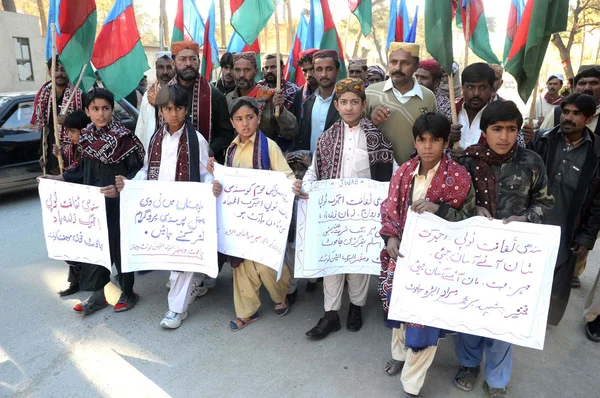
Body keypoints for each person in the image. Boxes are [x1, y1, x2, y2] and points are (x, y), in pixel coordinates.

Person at [454, 100, 554, 398]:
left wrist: (526, 218)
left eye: (511, 129)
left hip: (514, 257)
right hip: (473, 253)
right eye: (497, 129)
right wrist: (474, 210)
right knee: (470, 312)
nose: (504, 137)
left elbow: (545, 201)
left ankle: (497, 378)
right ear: (484, 131)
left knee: (502, 314)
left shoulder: (531, 161)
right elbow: (453, 202)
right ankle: (469, 364)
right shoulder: (467, 162)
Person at [379, 112, 475, 398]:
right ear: (415, 141)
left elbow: (469, 219)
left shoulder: (458, 177)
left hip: (437, 265)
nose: (428, 146)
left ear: (446, 142)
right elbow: (389, 208)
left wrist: (440, 209)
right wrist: (390, 237)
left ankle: (411, 383)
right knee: (399, 313)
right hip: (403, 256)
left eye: (435, 140)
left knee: (425, 324)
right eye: (422, 140)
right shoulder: (404, 171)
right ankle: (399, 356)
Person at [116, 85, 223, 329]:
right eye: (167, 109)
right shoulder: (156, 138)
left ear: (186, 110)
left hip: (185, 211)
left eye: (178, 108)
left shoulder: (196, 139)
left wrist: (212, 186)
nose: (173, 114)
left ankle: (176, 310)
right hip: (161, 213)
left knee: (182, 262)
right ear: (161, 111)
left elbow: (207, 173)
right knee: (173, 260)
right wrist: (130, 185)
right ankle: (195, 283)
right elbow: (146, 170)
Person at [39, 88, 145, 315]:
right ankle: (98, 296)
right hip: (93, 208)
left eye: (105, 108)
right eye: (95, 109)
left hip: (119, 207)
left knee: (119, 250)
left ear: (112, 109)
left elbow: (139, 171)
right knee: (95, 249)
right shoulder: (85, 137)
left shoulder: (124, 137)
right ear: (87, 111)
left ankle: (128, 293)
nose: (101, 114)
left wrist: (123, 186)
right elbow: (81, 169)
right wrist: (56, 178)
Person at [303, 78, 394, 340]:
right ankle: (330, 314)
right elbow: (314, 170)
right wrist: (305, 186)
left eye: (355, 102)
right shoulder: (327, 137)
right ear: (337, 105)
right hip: (333, 213)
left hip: (363, 216)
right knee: (332, 264)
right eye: (343, 102)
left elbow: (393, 173)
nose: (349, 107)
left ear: (364, 104)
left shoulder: (377, 139)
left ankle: (356, 308)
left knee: (358, 265)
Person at [212, 97, 303, 331]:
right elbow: (226, 182)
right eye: (240, 119)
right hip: (240, 220)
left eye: (250, 118)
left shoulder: (269, 147)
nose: (245, 124)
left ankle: (281, 294)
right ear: (232, 122)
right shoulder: (231, 149)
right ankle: (246, 311)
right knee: (241, 265)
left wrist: (292, 185)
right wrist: (217, 184)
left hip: (264, 220)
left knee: (266, 264)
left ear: (258, 119)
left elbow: (285, 175)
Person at [529, 94, 600, 325]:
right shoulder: (542, 139)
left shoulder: (597, 153)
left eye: (576, 113)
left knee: (556, 275)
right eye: (566, 112)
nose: (568, 118)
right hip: (532, 222)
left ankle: (542, 321)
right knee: (526, 268)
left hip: (567, 227)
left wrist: (586, 235)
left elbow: (598, 201)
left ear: (589, 118)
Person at [366, 42, 436, 165]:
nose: (398, 68)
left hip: (416, 169)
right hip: (378, 168)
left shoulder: (428, 97)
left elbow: (432, 135)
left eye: (405, 63)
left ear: (416, 66)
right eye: (394, 62)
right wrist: (371, 122)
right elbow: (355, 131)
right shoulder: (370, 93)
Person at [166, 41, 234, 165]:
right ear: (173, 63)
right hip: (170, 161)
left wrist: (207, 151)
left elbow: (226, 133)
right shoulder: (164, 95)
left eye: (193, 59)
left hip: (205, 164)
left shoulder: (214, 95)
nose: (188, 64)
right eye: (182, 59)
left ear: (199, 62)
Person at [52, 110, 91, 297]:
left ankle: (89, 282)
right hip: (73, 204)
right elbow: (66, 167)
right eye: (68, 132)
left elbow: (80, 173)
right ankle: (76, 280)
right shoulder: (72, 147)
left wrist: (62, 177)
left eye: (73, 131)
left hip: (87, 204)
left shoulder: (91, 148)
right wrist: (58, 154)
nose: (69, 136)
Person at [450, 63, 528, 153]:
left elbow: (518, 148)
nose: (476, 93)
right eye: (470, 87)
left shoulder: (505, 113)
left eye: (482, 88)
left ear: (491, 90)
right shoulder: (449, 111)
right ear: (463, 88)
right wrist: (447, 138)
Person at [226, 52, 297, 147]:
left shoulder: (270, 96)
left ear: (256, 71)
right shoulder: (228, 99)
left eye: (247, 70)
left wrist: (280, 110)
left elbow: (291, 133)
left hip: (266, 156)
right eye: (237, 70)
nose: (242, 75)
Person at [31, 59, 85, 174]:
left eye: (63, 70)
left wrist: (69, 121)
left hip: (72, 155)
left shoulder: (79, 96)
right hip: (50, 154)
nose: (59, 73)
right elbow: (45, 128)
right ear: (49, 73)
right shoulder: (44, 95)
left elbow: (88, 125)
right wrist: (42, 153)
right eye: (55, 70)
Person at [283, 150, 319, 303]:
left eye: (302, 170)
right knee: (290, 263)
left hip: (309, 236)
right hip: (291, 236)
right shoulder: (286, 186)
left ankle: (313, 281)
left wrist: (311, 166)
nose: (298, 173)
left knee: (311, 261)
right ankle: (291, 290)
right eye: (293, 170)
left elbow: (321, 181)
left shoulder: (315, 186)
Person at [292, 50, 342, 152]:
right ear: (314, 73)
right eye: (319, 69)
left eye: (329, 69)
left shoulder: (345, 102)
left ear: (337, 72)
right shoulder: (308, 103)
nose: (324, 74)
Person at [539, 65, 600, 135]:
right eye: (582, 83)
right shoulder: (557, 113)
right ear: (574, 87)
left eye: (594, 83)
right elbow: (541, 140)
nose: (587, 88)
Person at [135, 51, 176, 149]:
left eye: (169, 67)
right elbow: (141, 127)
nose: (165, 72)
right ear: (156, 69)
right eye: (160, 67)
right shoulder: (148, 96)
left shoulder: (180, 96)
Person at [292, 48, 319, 119]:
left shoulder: (329, 93)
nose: (309, 74)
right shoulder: (299, 93)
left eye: (312, 69)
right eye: (305, 70)